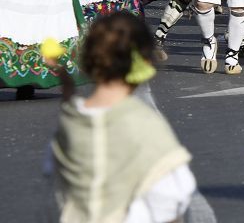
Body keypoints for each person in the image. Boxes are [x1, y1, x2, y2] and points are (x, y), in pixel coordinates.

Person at [46, 13, 196, 222]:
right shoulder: (144, 124)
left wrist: (66, 83)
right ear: (144, 62)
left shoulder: (70, 123)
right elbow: (173, 195)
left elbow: (53, 171)